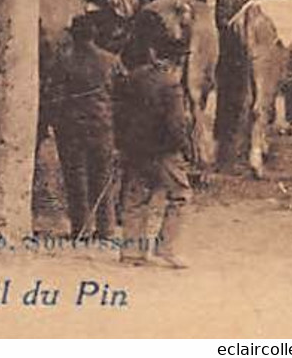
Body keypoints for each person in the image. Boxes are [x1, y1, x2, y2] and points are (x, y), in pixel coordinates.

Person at [114, 34, 193, 268]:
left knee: (136, 198)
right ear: (177, 60)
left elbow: (118, 111)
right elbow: (176, 124)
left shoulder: (134, 77)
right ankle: (166, 247)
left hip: (135, 148)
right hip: (163, 151)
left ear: (153, 54)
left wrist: (122, 142)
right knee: (181, 196)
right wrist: (185, 148)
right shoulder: (171, 85)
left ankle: (131, 252)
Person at [50, 18, 125, 241]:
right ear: (93, 35)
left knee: (76, 179)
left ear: (73, 36)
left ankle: (80, 229)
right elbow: (121, 95)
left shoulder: (63, 61)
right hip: (102, 128)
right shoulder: (110, 61)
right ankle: (106, 230)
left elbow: (54, 95)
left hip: (71, 129)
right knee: (102, 178)